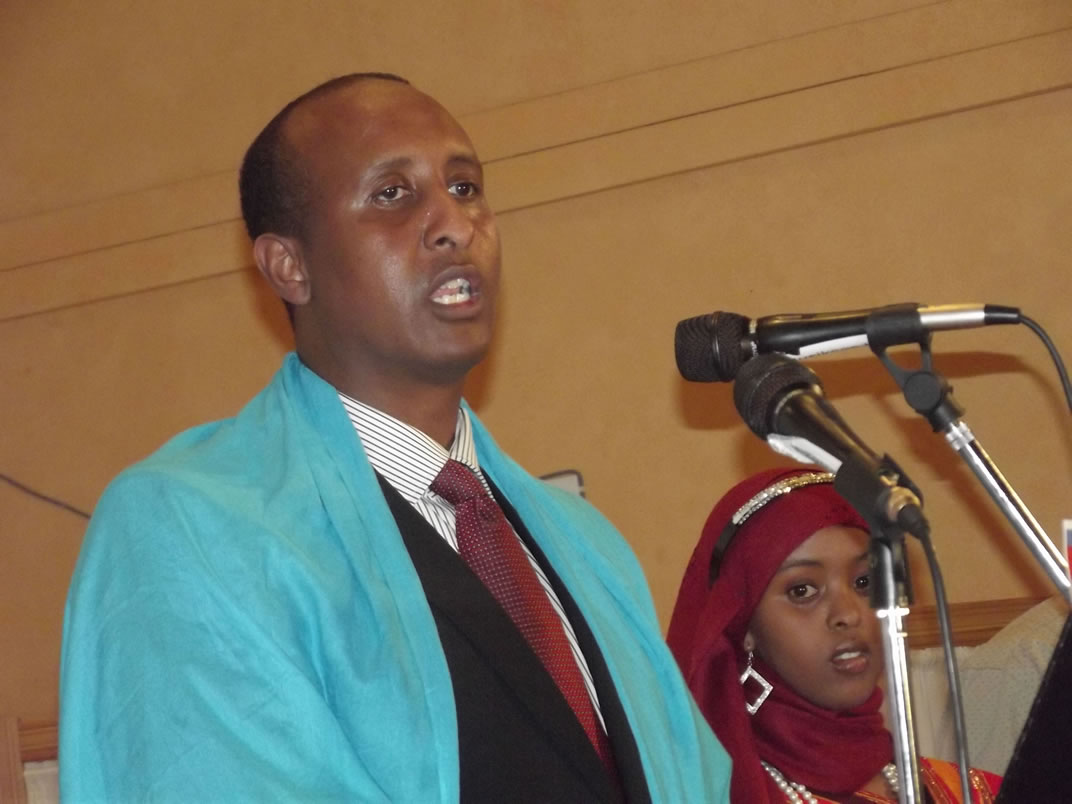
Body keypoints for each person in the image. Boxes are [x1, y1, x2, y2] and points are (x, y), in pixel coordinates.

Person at [59, 73, 730, 802]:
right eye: (392, 194)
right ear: (289, 266)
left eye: (465, 187)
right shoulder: (192, 527)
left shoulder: (585, 543)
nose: (455, 224)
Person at [666, 466, 1002, 803]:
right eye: (802, 591)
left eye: (864, 582)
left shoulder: (973, 792)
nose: (848, 614)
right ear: (745, 627)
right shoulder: (710, 793)